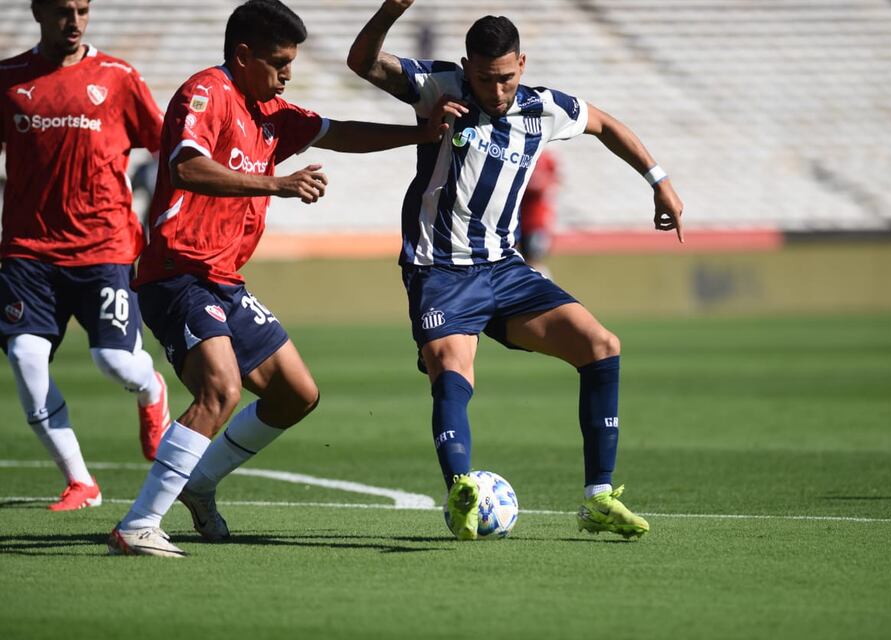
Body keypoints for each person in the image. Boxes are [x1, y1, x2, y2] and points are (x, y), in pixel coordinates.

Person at [106, 0, 463, 557]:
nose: (287, 73)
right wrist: (279, 185)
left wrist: (420, 135)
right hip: (176, 271)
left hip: (223, 278)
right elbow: (186, 166)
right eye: (278, 62)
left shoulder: (269, 109)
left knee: (296, 395)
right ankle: (138, 524)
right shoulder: (206, 93)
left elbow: (338, 131)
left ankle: (199, 484)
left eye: (291, 62)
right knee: (219, 388)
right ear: (242, 55)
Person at [348, 0, 684, 540]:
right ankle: (461, 490)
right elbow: (362, 62)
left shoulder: (543, 107)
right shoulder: (438, 88)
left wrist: (659, 179)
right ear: (466, 67)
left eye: (505, 78)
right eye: (484, 79)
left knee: (601, 345)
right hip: (439, 270)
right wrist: (390, 11)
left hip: (505, 269)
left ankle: (598, 499)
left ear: (521, 65)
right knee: (453, 369)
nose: (497, 91)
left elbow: (604, 123)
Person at [0, 0, 170, 511]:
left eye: (82, 9)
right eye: (61, 11)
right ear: (37, 12)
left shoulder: (117, 77)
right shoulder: (8, 81)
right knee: (26, 357)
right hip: (28, 252)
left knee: (115, 361)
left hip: (104, 246)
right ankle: (80, 481)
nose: (73, 22)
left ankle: (151, 389)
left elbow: (165, 147)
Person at [518, 148, 560, 277]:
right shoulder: (520, 155)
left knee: (534, 260)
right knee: (521, 260)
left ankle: (546, 291)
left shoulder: (546, 158)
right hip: (519, 222)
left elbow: (554, 182)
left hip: (537, 224)